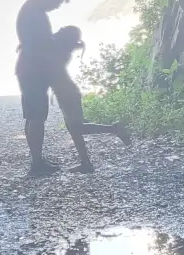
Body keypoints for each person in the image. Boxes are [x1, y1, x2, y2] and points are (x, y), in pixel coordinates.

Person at [47, 25, 130, 173]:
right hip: (66, 92)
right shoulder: (62, 49)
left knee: (76, 127)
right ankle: (86, 162)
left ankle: (114, 129)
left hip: (66, 93)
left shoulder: (57, 49)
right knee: (74, 128)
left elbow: (47, 44)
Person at [14, 0, 70, 177]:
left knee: (33, 115)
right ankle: (36, 163)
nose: (56, 7)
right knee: (37, 116)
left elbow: (35, 41)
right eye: (57, 2)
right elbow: (37, 44)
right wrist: (58, 42)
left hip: (29, 69)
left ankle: (37, 159)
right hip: (32, 71)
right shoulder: (34, 12)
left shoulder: (33, 9)